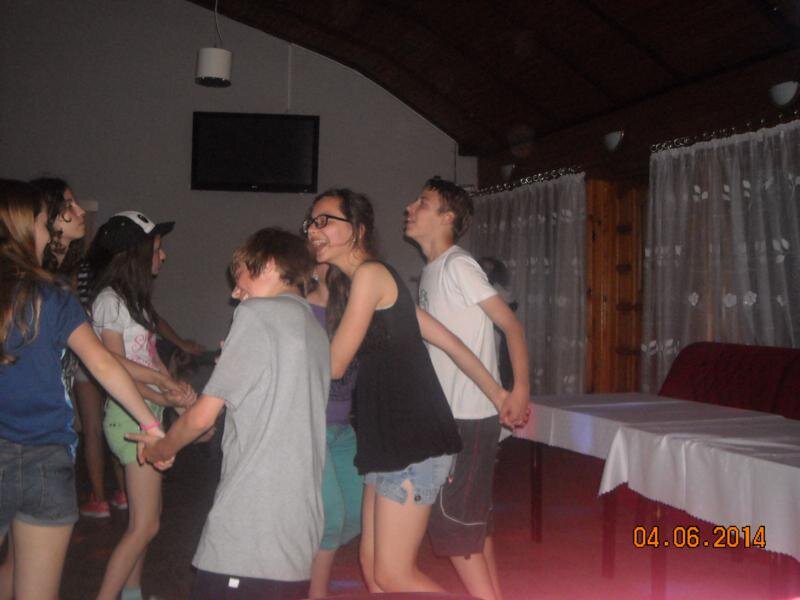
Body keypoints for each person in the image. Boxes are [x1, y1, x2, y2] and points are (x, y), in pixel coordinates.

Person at [304, 189, 512, 594]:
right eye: (311, 222)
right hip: (387, 439)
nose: (314, 230)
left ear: (358, 229)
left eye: (325, 220)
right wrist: (498, 392)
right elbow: (449, 341)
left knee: (392, 574)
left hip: (413, 441)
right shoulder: (366, 284)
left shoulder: (371, 275)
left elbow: (334, 365)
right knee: (373, 572)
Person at [129, 228, 329, 600]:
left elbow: (200, 418)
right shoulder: (315, 330)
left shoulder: (257, 314)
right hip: (297, 531)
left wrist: (160, 449)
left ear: (269, 265)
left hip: (251, 528)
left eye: (240, 279)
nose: (235, 294)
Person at [0, 179, 165, 600]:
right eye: (46, 217)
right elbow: (103, 363)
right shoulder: (53, 296)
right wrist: (150, 424)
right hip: (44, 455)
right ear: (26, 226)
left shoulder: (56, 290)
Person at [404, 177, 531, 600]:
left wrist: (519, 390)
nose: (410, 207)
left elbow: (510, 325)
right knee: (472, 524)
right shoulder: (432, 271)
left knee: (454, 524)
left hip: (468, 416)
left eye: (423, 202)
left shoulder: (457, 265)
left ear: (447, 217)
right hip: (452, 415)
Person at [91, 211, 196, 600]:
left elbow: (147, 363)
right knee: (144, 526)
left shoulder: (134, 301)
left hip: (145, 412)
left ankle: (132, 594)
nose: (162, 255)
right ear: (135, 252)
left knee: (146, 522)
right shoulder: (109, 301)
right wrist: (162, 390)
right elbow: (115, 367)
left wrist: (172, 394)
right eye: (157, 247)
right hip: (129, 418)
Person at [306, 263, 363, 599]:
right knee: (330, 520)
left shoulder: (355, 310)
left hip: (343, 430)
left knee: (356, 515)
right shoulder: (300, 310)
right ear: (314, 266)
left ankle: (303, 564)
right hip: (310, 428)